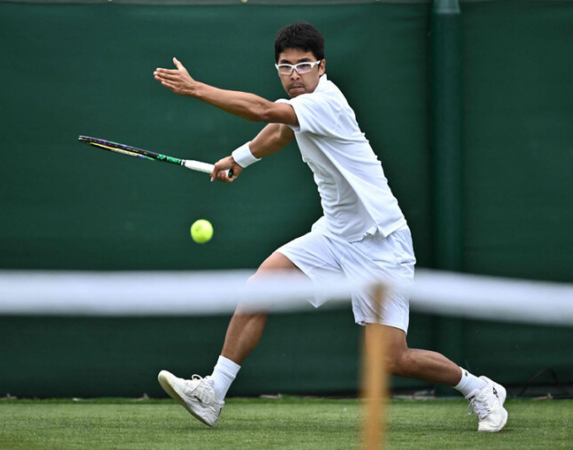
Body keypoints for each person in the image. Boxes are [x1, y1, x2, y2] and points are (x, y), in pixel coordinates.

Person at [153, 22, 507, 433]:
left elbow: (264, 111)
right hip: (335, 233)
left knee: (391, 359)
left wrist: (196, 89)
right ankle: (214, 392)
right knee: (260, 285)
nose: (294, 75)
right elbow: (280, 130)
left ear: (321, 67)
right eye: (285, 67)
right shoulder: (303, 107)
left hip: (381, 243)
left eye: (303, 65)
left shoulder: (326, 102)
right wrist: (238, 159)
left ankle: (479, 388)